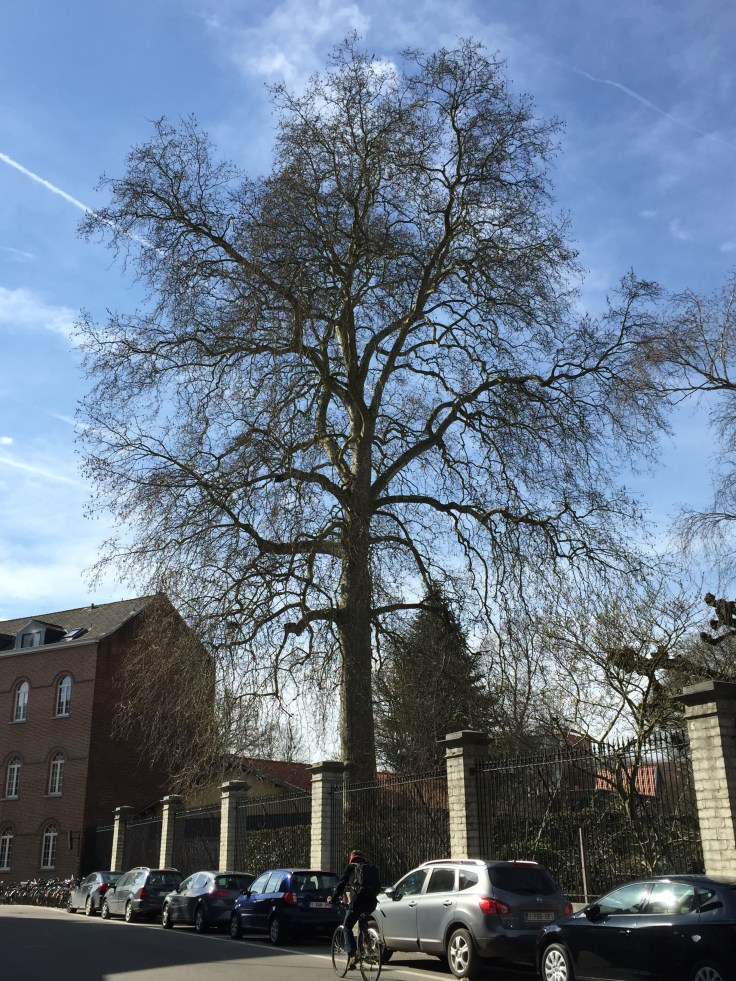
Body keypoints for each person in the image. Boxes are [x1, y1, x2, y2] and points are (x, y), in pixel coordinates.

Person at [328, 849, 379, 968]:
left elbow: (341, 886)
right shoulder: (371, 868)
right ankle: (366, 942)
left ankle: (352, 955)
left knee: (347, 927)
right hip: (371, 902)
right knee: (363, 921)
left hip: (357, 903)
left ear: (352, 857)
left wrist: (332, 900)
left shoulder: (351, 867)